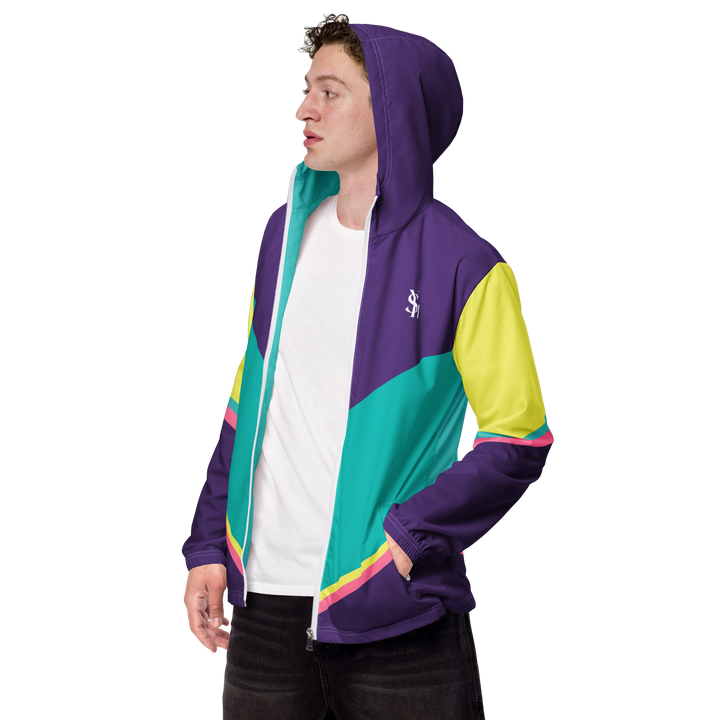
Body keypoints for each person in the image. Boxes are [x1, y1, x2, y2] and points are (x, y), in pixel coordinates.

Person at [180, 11, 556, 720]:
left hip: (396, 613)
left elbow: (520, 436)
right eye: (304, 90)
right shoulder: (282, 234)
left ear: (394, 108)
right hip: (263, 609)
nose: (303, 109)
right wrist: (206, 545)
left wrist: (407, 542)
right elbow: (245, 404)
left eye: (329, 92)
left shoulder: (467, 262)